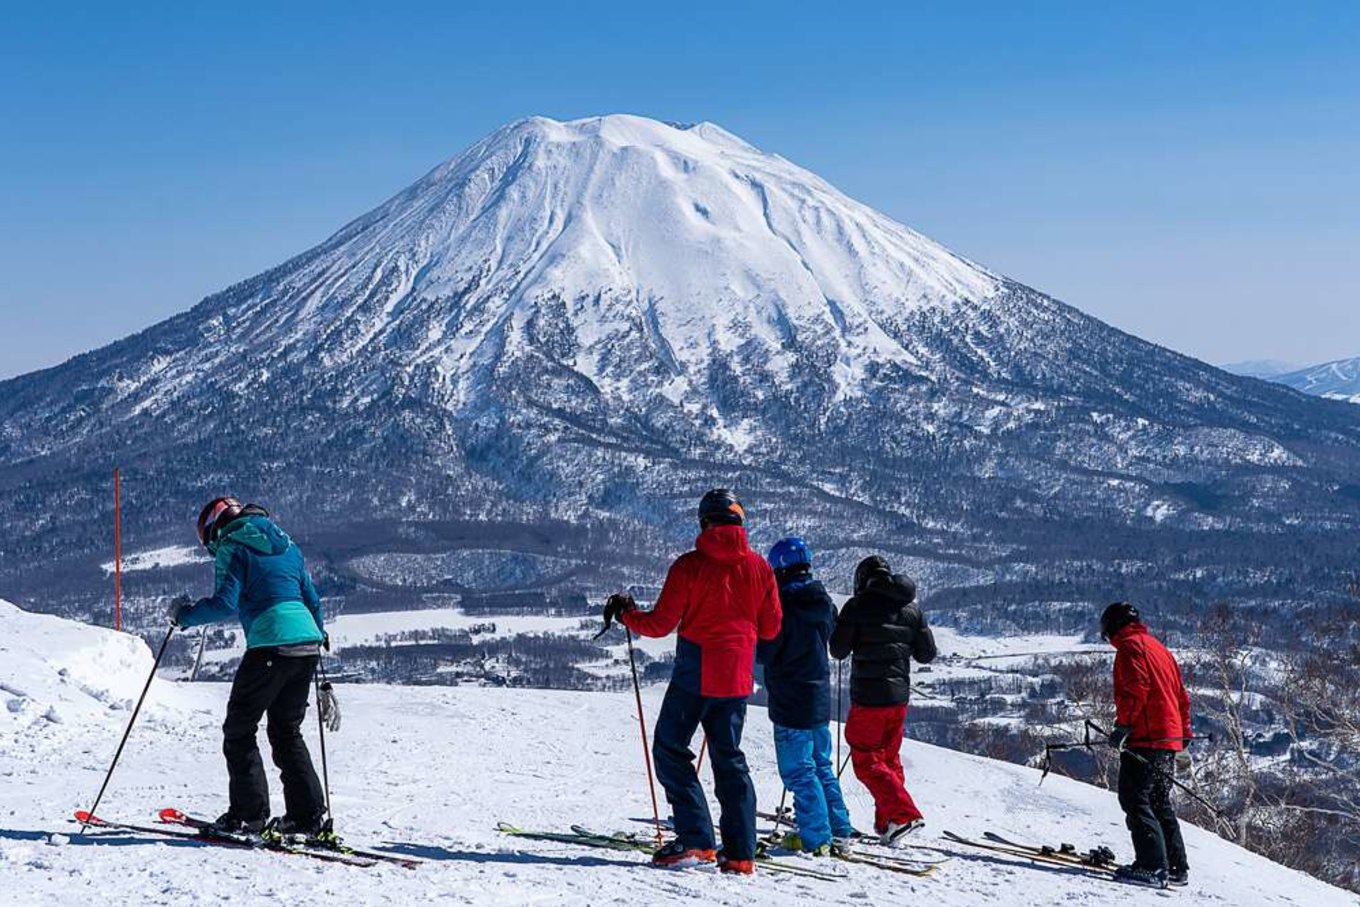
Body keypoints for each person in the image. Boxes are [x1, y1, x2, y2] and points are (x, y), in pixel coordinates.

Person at [603, 489, 781, 875]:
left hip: (696, 672)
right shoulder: (761, 568)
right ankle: (740, 854)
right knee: (729, 760)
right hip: (737, 678)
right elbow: (771, 627)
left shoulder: (689, 567)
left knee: (670, 747)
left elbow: (661, 625)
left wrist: (627, 616)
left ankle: (697, 840)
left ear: (704, 522)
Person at [169, 496, 329, 839]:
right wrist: (319, 637)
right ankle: (308, 817)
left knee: (240, 728)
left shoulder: (233, 545)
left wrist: (183, 616)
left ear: (215, 529)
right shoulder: (288, 546)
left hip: (271, 642)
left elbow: (224, 603)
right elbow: (312, 600)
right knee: (287, 731)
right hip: (306, 645)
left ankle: (248, 816)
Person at [755, 536, 856, 856]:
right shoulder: (823, 601)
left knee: (798, 770)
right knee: (821, 765)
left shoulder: (781, 604)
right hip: (819, 694)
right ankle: (839, 830)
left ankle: (816, 838)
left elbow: (766, 651)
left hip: (790, 697)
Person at [829, 555, 936, 847]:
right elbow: (926, 654)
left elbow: (838, 650)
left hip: (868, 698)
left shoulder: (857, 607)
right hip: (899, 698)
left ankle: (904, 815)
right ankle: (888, 822)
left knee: (865, 759)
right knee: (888, 760)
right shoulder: (911, 610)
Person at [1101, 601, 1192, 890]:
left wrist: (1123, 725)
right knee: (1159, 800)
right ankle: (1176, 867)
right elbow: (1181, 695)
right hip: (1169, 737)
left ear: (1112, 627)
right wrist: (1183, 732)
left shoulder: (1130, 647)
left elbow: (1135, 688)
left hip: (1147, 736)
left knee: (1134, 798)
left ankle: (1152, 866)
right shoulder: (1159, 648)